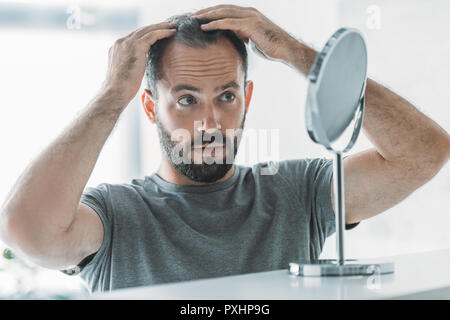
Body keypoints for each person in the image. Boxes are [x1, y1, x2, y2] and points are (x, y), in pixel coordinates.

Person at [1, 5, 449, 294]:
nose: (210, 123)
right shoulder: (116, 214)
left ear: (247, 98)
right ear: (150, 106)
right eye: (187, 100)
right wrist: (111, 94)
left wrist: (298, 54)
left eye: (227, 97)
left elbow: (424, 153)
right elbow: (26, 232)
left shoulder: (297, 193)